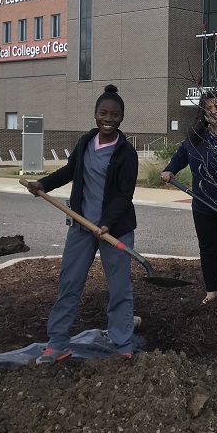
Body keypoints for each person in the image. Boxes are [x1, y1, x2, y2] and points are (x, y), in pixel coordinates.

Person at [24, 84, 138, 362]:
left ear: (122, 117)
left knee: (120, 288)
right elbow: (69, 171)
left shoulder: (126, 153)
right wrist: (43, 184)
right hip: (81, 228)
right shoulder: (85, 143)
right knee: (70, 283)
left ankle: (123, 344)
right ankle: (58, 341)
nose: (108, 119)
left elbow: (124, 196)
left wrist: (108, 224)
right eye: (103, 113)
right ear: (95, 114)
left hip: (115, 230)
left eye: (114, 115)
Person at [161, 91, 217, 303]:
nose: (214, 111)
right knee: (208, 248)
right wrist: (170, 169)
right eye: (209, 108)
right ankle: (211, 292)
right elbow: (181, 155)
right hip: (203, 203)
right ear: (203, 112)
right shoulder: (196, 137)